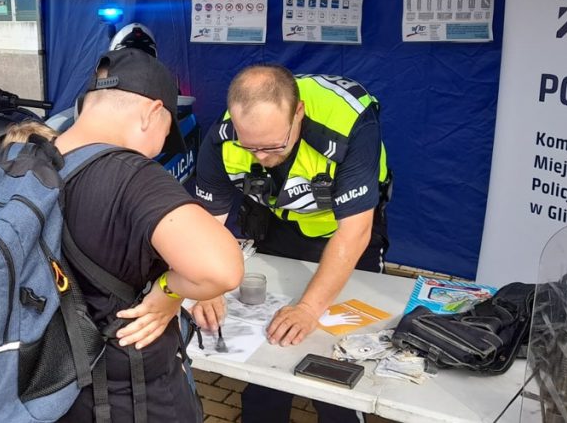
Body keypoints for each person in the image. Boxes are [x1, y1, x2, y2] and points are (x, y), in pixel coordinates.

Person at [50, 48, 243, 422]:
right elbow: (222, 270)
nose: (158, 149)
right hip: (129, 397)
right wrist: (169, 290)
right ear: (154, 112)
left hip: (46, 390)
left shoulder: (14, 159)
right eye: (166, 134)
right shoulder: (132, 174)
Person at [190, 65, 391, 423]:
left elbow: (354, 233)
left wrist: (310, 309)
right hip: (280, 225)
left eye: (272, 146)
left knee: (336, 357)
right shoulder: (223, 135)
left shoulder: (349, 121)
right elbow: (208, 225)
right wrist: (207, 287)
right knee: (268, 343)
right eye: (249, 146)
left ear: (298, 112)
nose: (260, 157)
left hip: (345, 233)